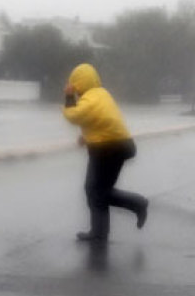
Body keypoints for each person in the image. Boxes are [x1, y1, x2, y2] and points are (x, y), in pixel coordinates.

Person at [62, 63, 149, 243]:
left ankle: (133, 207)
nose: (76, 91)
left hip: (107, 149)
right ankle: (101, 232)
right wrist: (86, 137)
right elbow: (103, 121)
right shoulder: (102, 95)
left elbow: (73, 115)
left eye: (75, 87)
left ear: (79, 83)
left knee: (95, 190)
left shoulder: (90, 99)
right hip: (117, 146)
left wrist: (69, 96)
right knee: (100, 191)